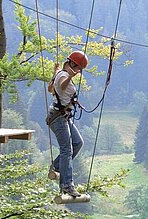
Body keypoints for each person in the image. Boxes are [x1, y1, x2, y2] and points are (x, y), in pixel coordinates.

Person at [46, 51, 88, 197]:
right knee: (67, 150)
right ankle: (67, 185)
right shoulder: (65, 76)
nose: (79, 71)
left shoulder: (60, 72)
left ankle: (57, 166)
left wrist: (55, 71)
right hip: (58, 119)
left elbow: (51, 88)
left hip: (63, 117)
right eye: (79, 68)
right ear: (72, 64)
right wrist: (70, 76)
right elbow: (62, 86)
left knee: (78, 143)